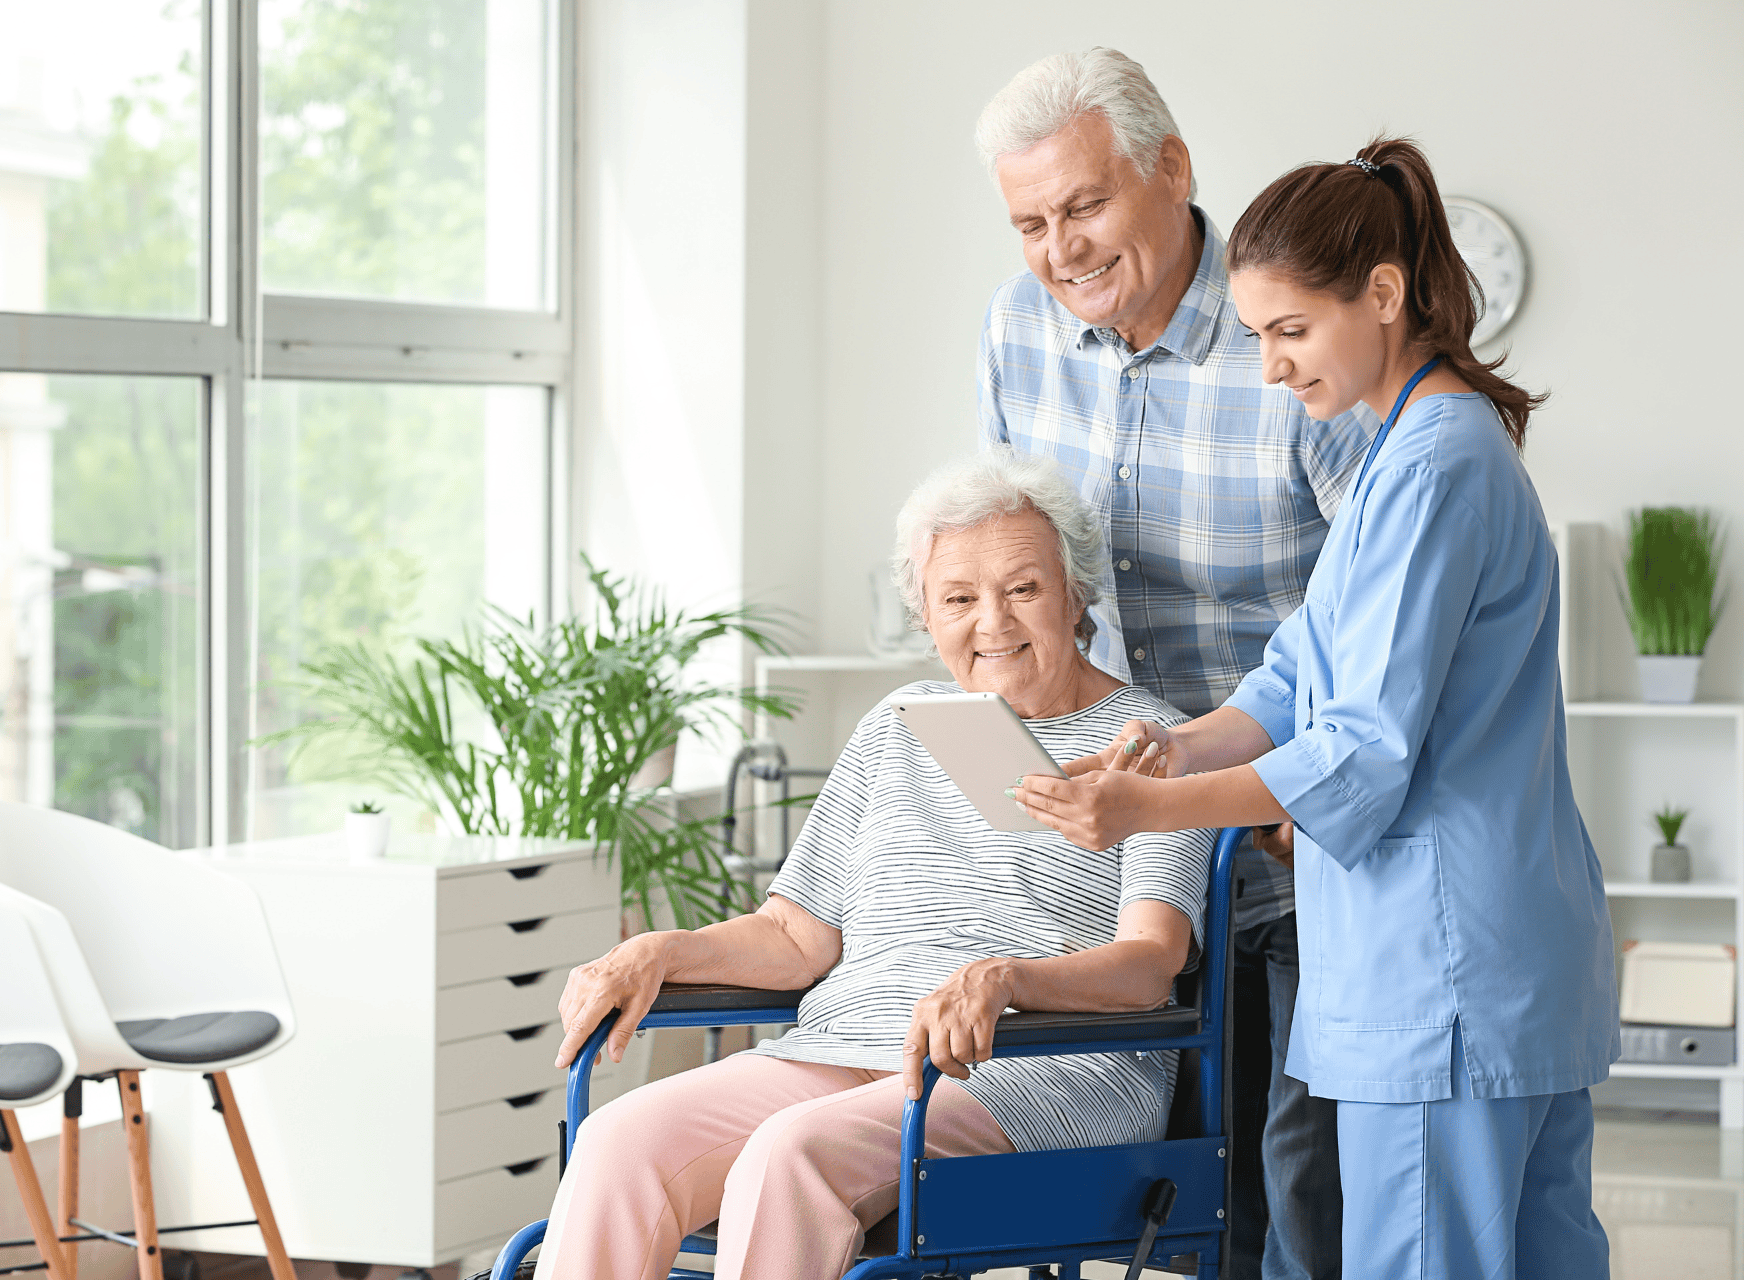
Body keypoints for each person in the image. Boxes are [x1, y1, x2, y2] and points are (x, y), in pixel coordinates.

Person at [1014, 136, 1619, 1276]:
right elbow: (1297, 673)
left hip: (1441, 973)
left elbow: (1359, 751)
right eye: (1254, 337)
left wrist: (1157, 808)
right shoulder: (1407, 450)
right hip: (1502, 965)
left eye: (1291, 331)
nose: (1273, 369)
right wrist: (1166, 745)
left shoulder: (1434, 463)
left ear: (1383, 295)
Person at [531, 451, 1215, 1280]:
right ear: (925, 614)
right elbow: (795, 935)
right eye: (958, 599)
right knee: (619, 1141)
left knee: (790, 1154)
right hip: (846, 1046)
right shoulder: (900, 723)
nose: (991, 622)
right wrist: (659, 951)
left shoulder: (1155, 745)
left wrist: (1009, 980)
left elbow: (1149, 966)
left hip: (1037, 1066)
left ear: (1077, 596)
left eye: (1023, 589)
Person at [973, 47, 1374, 1280]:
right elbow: (1018, 568)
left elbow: (1382, 601)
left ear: (1174, 169)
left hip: (1292, 832)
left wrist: (1297, 792)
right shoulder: (1018, 330)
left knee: (1302, 1191)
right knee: (1174, 1194)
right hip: (1129, 851)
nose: (1062, 249)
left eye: (1085, 205)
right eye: (1032, 222)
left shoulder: (1292, 335)